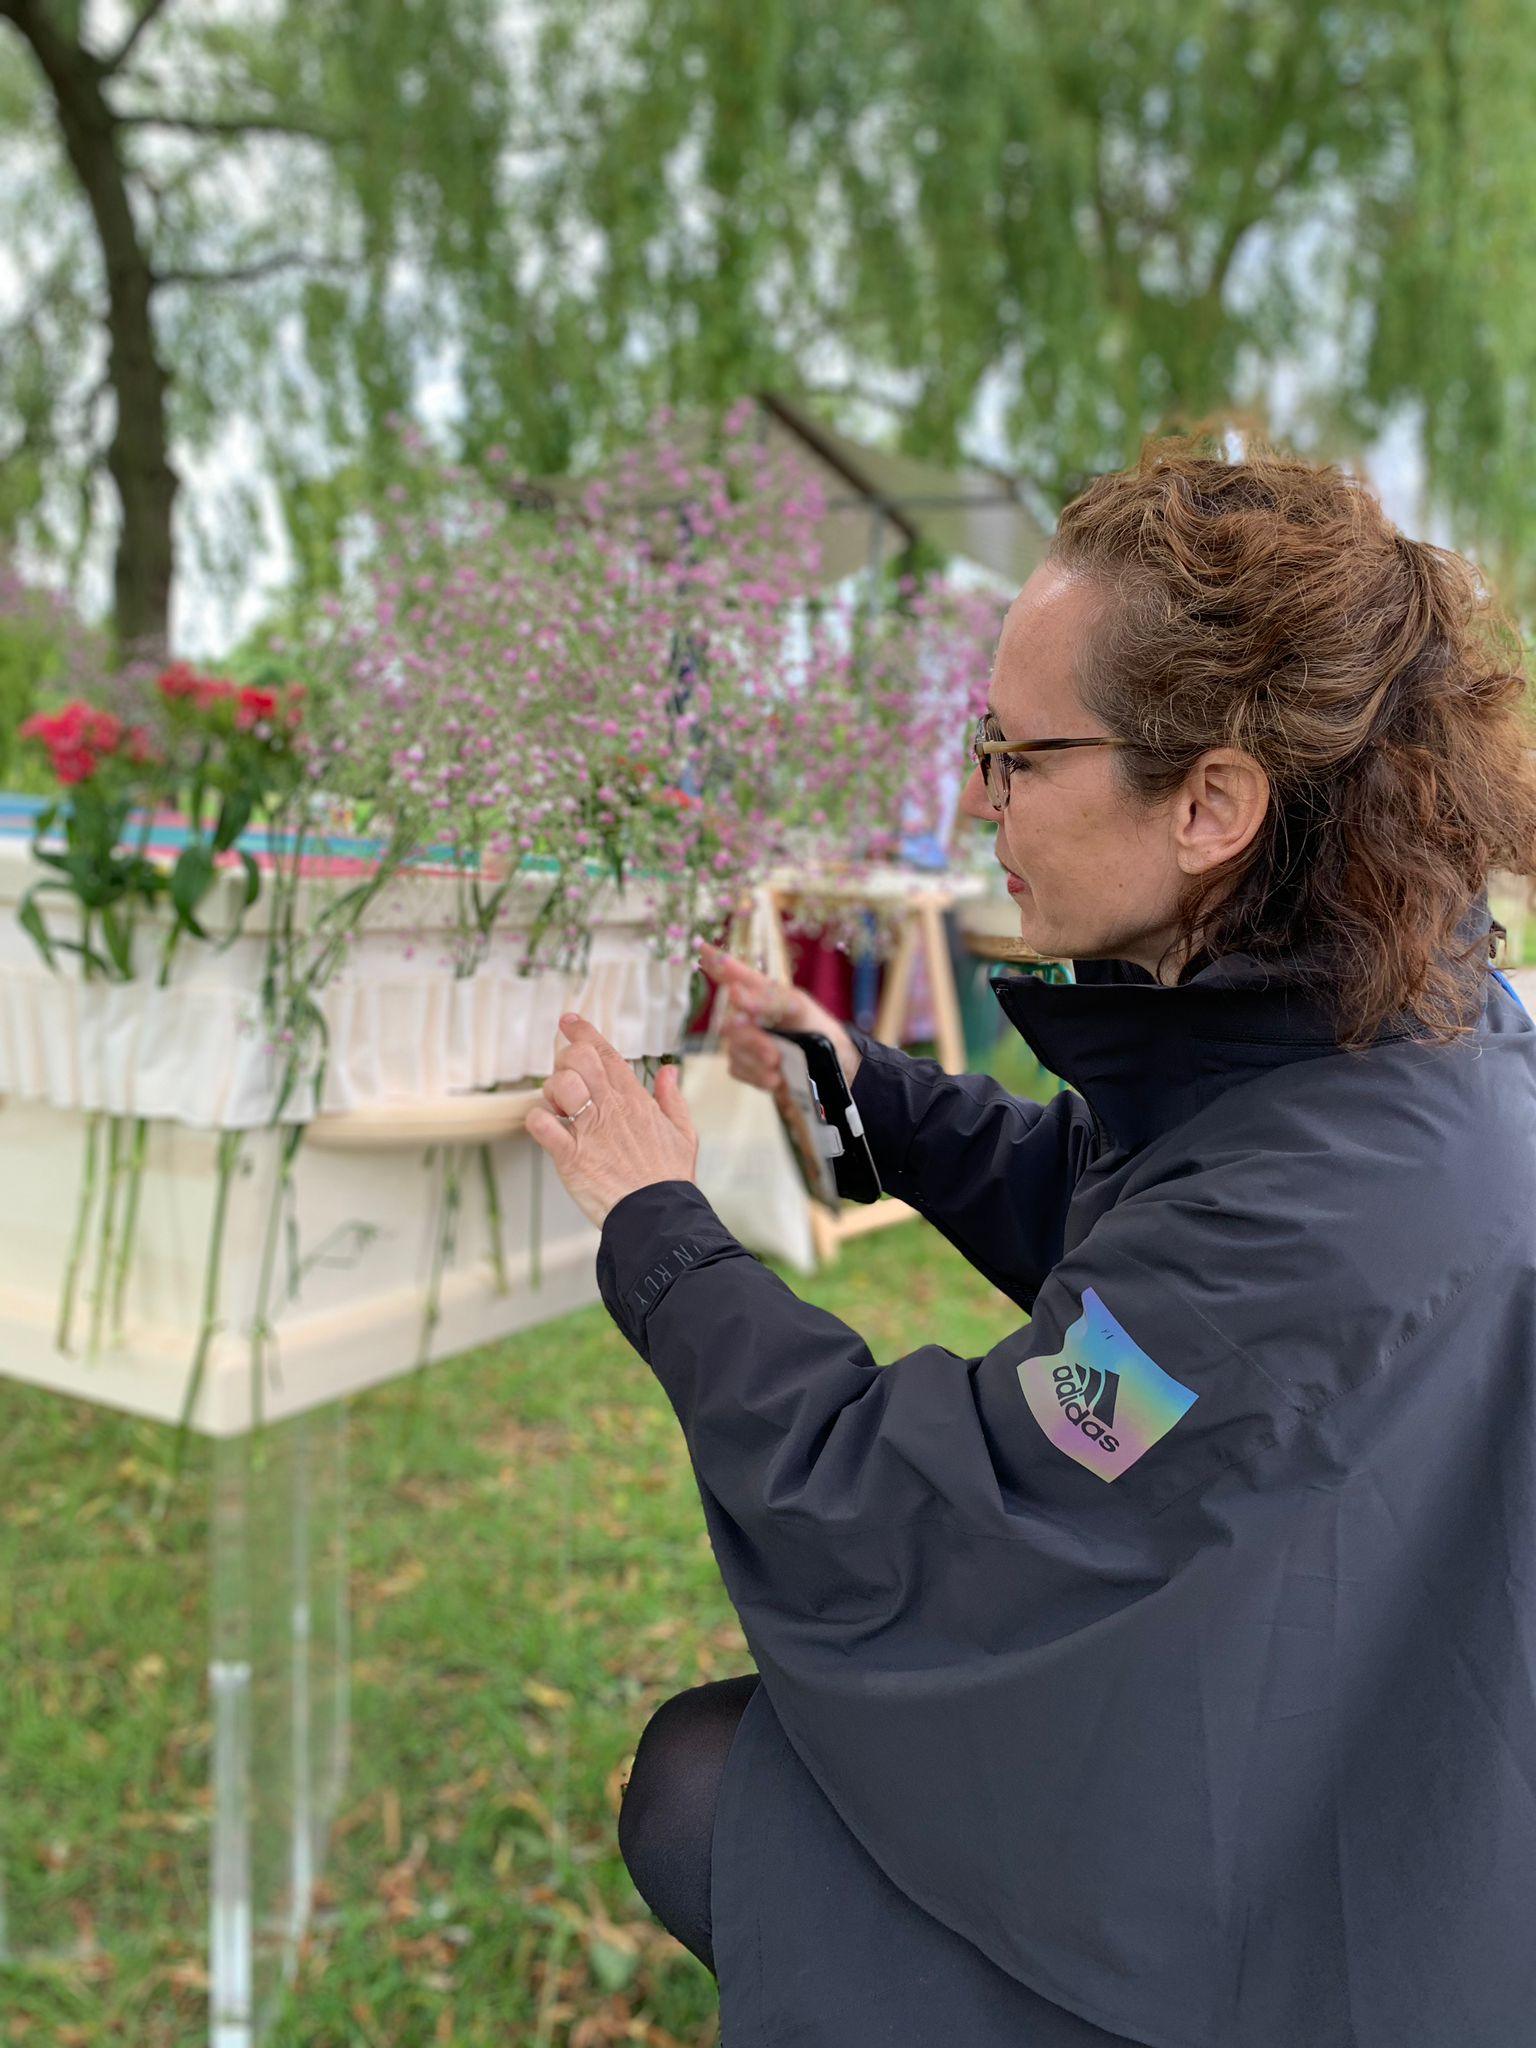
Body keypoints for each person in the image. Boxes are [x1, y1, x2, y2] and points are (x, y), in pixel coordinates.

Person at [523, 434, 1536, 2048]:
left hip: (1319, 1901)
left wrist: (664, 1239)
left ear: (1211, 799)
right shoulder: (1404, 1022)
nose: (974, 801)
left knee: (704, 1796)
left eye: (1012, 755)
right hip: (1336, 1708)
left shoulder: (1310, 1213)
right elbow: (1132, 1239)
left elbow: (938, 1508)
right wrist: (863, 1086)